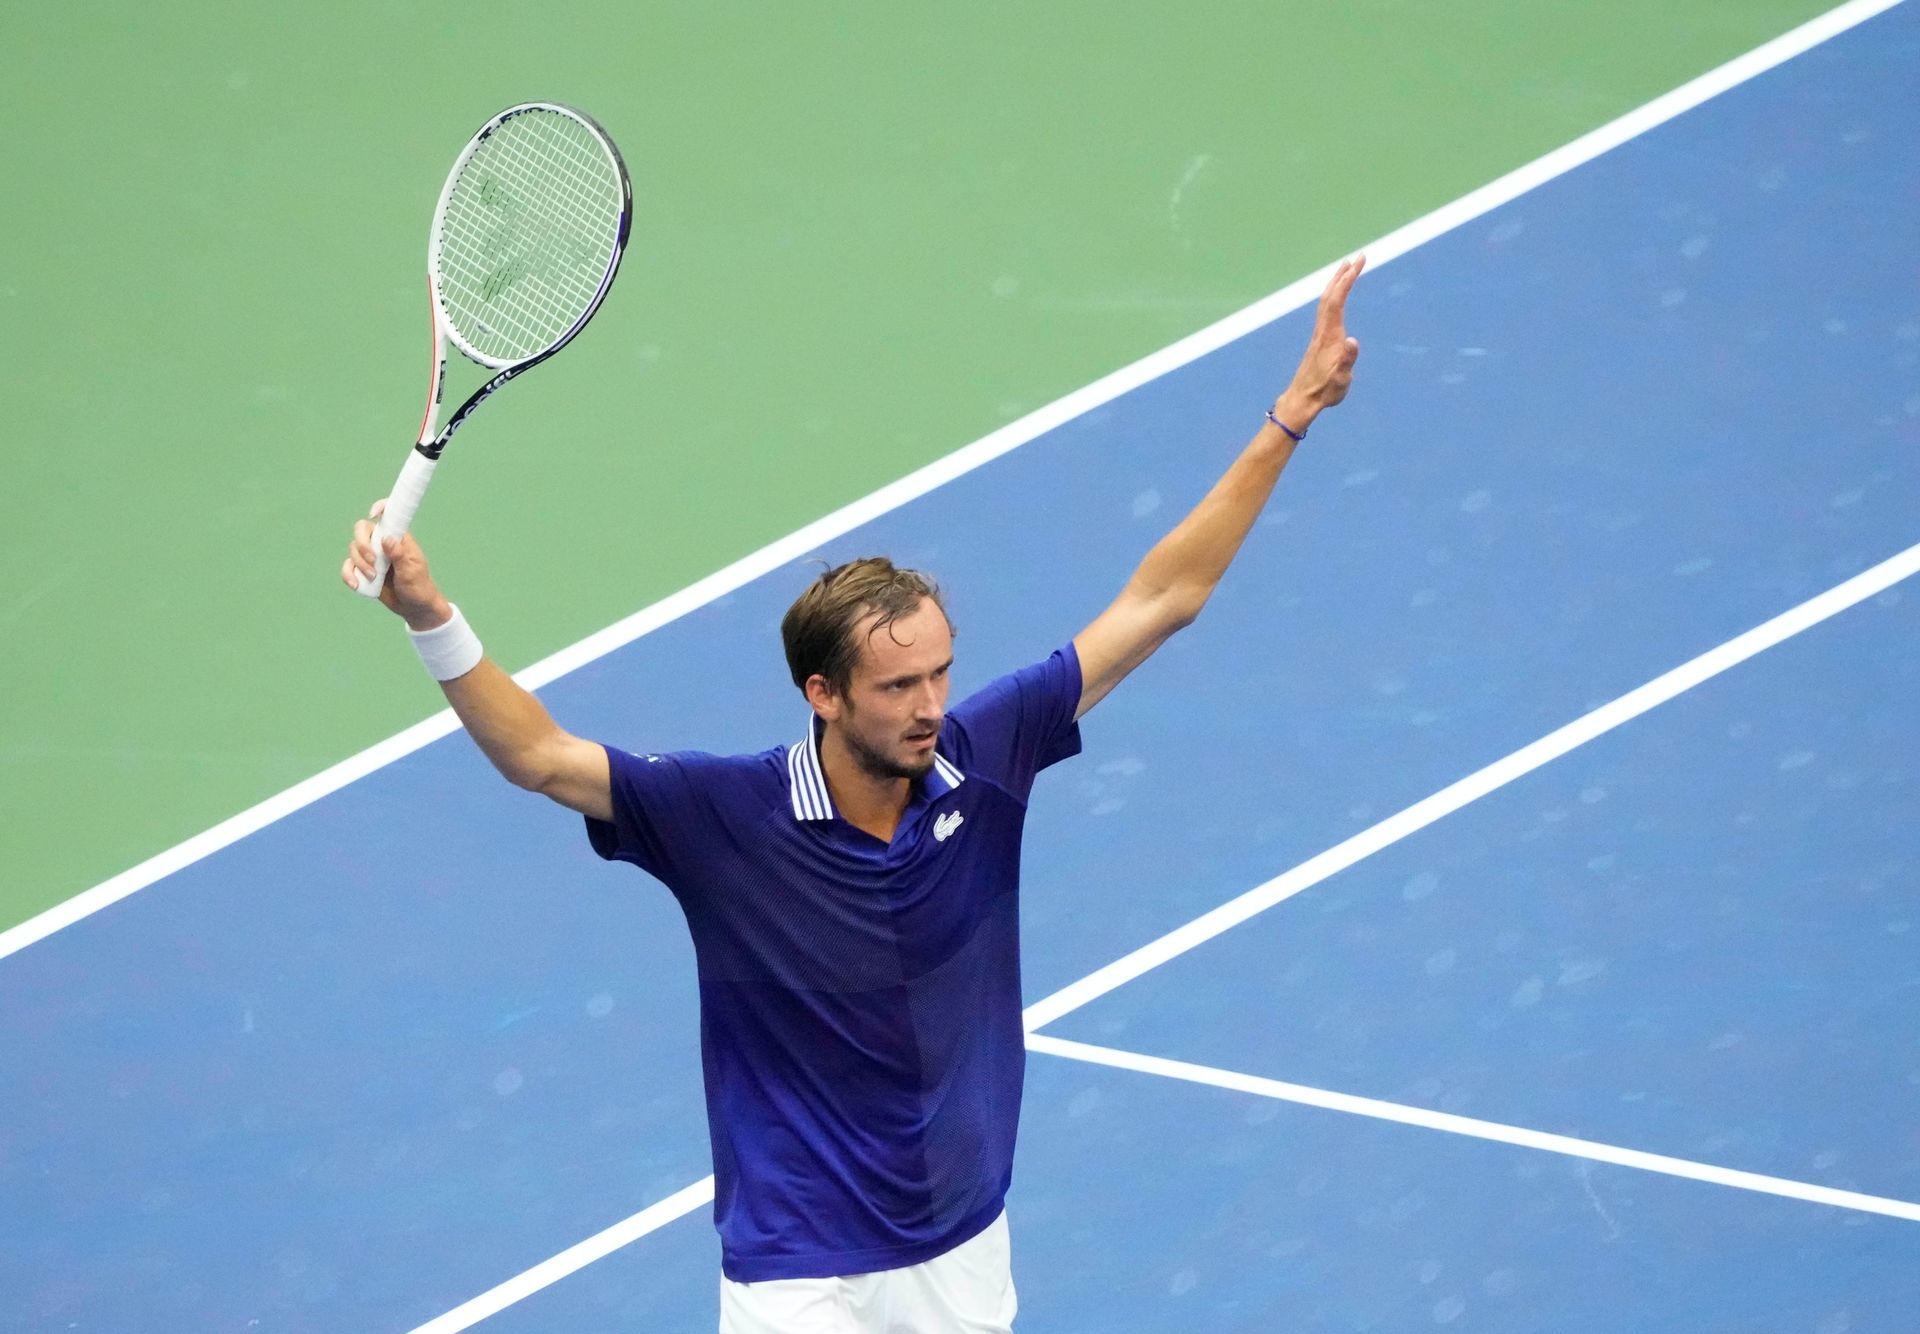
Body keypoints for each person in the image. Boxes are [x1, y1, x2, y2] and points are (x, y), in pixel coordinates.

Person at [342, 256, 1364, 1333]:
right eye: (898, 686)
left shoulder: (986, 754)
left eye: (940, 674)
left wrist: (1290, 415)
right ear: (822, 694)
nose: (930, 706)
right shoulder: (726, 817)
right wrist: (430, 616)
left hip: (958, 1242)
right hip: (796, 1258)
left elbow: (1165, 596)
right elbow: (540, 756)